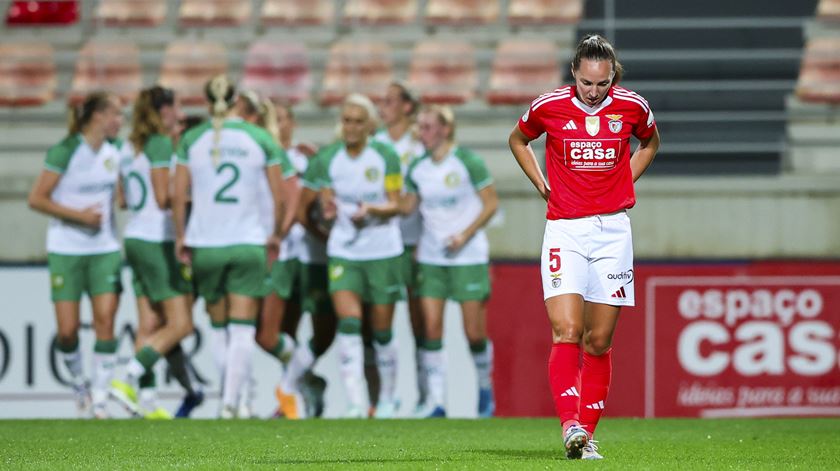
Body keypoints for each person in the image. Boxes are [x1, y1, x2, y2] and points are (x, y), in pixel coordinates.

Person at [508, 34, 660, 460]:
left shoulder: (633, 106)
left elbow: (651, 142)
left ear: (613, 77)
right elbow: (518, 139)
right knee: (567, 331)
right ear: (574, 73)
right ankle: (569, 424)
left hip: (613, 231)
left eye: (602, 83)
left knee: (598, 339)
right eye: (587, 82)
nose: (594, 92)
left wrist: (624, 179)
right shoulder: (549, 105)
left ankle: (585, 436)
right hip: (565, 229)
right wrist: (543, 186)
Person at [172, 76, 296, 419]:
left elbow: (177, 195)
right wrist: (274, 235)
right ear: (238, 100)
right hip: (247, 243)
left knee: (218, 326)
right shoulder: (259, 138)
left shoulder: (191, 140)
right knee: (243, 328)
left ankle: (231, 400)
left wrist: (181, 236)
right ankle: (233, 403)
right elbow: (280, 195)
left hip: (206, 244)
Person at [301, 93, 403, 418]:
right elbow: (321, 204)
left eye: (358, 121)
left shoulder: (385, 156)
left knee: (382, 330)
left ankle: (387, 399)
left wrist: (372, 209)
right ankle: (356, 402)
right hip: (344, 250)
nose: (351, 127)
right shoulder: (327, 158)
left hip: (382, 250)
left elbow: (396, 203)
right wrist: (326, 210)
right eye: (346, 120)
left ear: (370, 125)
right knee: (349, 322)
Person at [28, 91, 124, 418]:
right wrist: (79, 216)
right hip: (66, 248)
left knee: (106, 320)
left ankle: (99, 396)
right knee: (67, 331)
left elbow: (122, 198)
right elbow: (37, 199)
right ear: (98, 116)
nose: (120, 122)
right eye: (116, 115)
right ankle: (79, 381)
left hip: (105, 249)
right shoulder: (65, 151)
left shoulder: (116, 152)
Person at [401, 105, 498, 419]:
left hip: (467, 256)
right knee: (431, 329)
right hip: (431, 257)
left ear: (445, 129)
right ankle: (437, 402)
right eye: (420, 127)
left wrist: (465, 234)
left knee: (473, 333)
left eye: (428, 126)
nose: (422, 132)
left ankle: (485, 388)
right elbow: (408, 207)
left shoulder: (467, 161)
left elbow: (490, 204)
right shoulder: (417, 167)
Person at [109, 86, 201, 419]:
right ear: (163, 111)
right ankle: (130, 376)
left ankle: (144, 404)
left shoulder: (125, 147)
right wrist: (196, 199)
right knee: (181, 325)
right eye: (177, 105)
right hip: (156, 239)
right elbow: (164, 198)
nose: (180, 111)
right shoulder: (160, 144)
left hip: (133, 236)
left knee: (149, 322)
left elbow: (122, 199)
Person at [373, 81, 428, 414]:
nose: (383, 107)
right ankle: (383, 398)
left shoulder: (420, 143)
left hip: (416, 239)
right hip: (380, 242)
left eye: (390, 101)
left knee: (420, 322)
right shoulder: (374, 143)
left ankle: (426, 397)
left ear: (407, 106)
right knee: (379, 321)